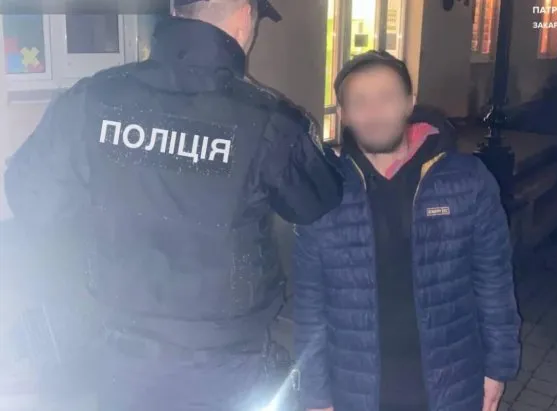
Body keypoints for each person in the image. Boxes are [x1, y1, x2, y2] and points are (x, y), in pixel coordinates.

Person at [4, 0, 343, 409]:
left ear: (177, 12)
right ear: (242, 16)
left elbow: (29, 195)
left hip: (120, 357)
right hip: (226, 366)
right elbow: (318, 198)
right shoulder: (269, 119)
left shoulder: (92, 98)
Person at [292, 51, 521, 411]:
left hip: (451, 381)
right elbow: (310, 302)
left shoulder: (467, 180)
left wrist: (498, 367)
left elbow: (493, 280)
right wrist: (315, 394)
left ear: (409, 103)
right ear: (343, 113)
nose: (374, 112)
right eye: (359, 102)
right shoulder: (323, 190)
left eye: (386, 98)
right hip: (355, 388)